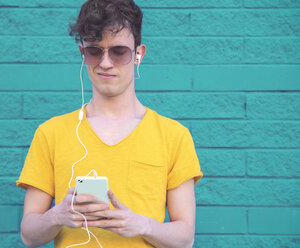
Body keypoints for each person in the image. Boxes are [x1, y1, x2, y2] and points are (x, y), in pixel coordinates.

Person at [16, 0, 203, 247]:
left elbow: (185, 239)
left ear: (138, 54)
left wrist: (142, 225)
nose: (105, 63)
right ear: (83, 54)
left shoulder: (173, 136)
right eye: (95, 51)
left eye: (119, 51)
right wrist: (57, 215)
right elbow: (29, 235)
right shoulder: (51, 133)